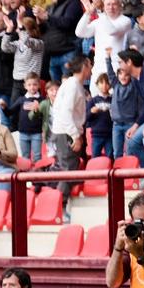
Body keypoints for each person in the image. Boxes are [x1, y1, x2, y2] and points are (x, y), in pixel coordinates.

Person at [48, 57, 91, 220]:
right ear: (84, 66)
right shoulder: (73, 86)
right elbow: (66, 113)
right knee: (68, 171)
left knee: (69, 170)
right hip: (67, 133)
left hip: (64, 131)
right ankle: (59, 208)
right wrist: (75, 136)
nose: (91, 69)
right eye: (90, 65)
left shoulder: (72, 85)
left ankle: (63, 205)